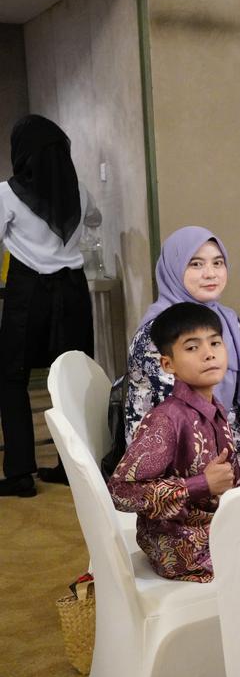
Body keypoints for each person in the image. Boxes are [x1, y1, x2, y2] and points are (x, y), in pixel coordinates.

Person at [109, 302, 240, 582]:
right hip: (182, 545)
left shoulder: (214, 407)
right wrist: (201, 484)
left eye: (215, 343)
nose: (209, 354)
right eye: (192, 347)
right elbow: (120, 491)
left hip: (213, 527)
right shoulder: (166, 419)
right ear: (168, 364)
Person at [0, 115, 95, 497]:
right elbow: (94, 219)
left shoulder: (7, 194)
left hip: (29, 293)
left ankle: (20, 473)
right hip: (74, 292)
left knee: (12, 378)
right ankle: (70, 467)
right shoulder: (79, 191)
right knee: (70, 378)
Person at [124, 227, 240, 462]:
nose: (210, 274)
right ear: (173, 269)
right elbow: (175, 412)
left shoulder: (227, 320)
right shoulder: (158, 332)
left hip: (222, 430)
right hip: (170, 449)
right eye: (196, 264)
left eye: (218, 263)